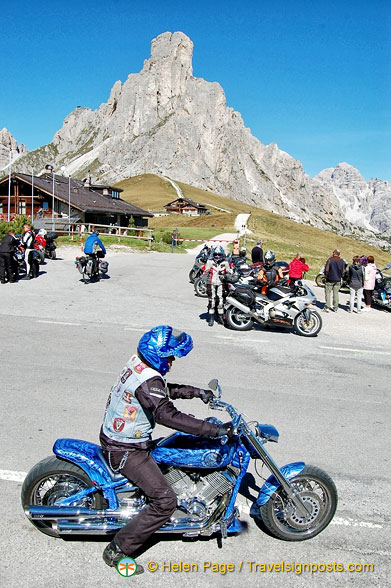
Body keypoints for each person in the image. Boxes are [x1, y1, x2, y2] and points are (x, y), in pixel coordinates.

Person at [100, 325, 232, 572]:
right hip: (126, 449)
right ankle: (118, 549)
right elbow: (166, 414)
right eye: (169, 357)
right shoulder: (147, 377)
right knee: (165, 501)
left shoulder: (139, 364)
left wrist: (197, 393)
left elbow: (162, 390)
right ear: (156, 355)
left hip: (126, 438)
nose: (171, 362)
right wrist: (215, 430)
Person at [202, 245, 233, 326]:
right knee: (211, 301)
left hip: (221, 284)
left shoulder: (225, 263)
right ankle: (211, 318)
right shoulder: (209, 262)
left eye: (219, 255)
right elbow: (205, 273)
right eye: (216, 254)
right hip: (211, 283)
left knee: (220, 301)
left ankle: (220, 318)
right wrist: (205, 283)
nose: (217, 256)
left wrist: (225, 275)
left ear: (222, 254)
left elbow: (229, 273)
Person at [255, 250, 284, 321]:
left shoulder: (278, 269)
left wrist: (276, 282)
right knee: (263, 303)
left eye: (269, 260)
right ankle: (262, 317)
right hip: (265, 289)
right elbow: (258, 279)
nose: (268, 262)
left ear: (273, 259)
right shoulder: (262, 269)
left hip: (276, 288)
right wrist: (265, 283)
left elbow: (282, 278)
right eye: (267, 260)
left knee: (279, 303)